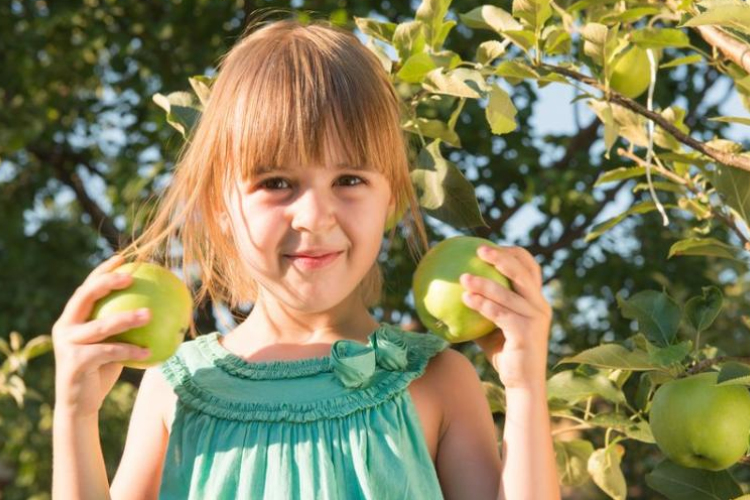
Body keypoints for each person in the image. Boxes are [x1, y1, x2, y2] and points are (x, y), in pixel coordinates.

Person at [51, 13, 560, 500]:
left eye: (350, 180)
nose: (315, 216)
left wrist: (525, 389)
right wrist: (75, 414)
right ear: (218, 207)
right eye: (276, 183)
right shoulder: (178, 390)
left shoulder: (439, 383)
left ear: (393, 200)